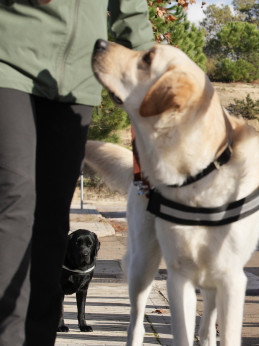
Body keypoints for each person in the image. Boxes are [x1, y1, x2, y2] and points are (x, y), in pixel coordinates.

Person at [0, 1, 154, 345]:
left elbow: (130, 8)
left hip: (76, 80)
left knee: (52, 218)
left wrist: (142, 72)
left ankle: (38, 337)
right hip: (7, 59)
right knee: (15, 199)